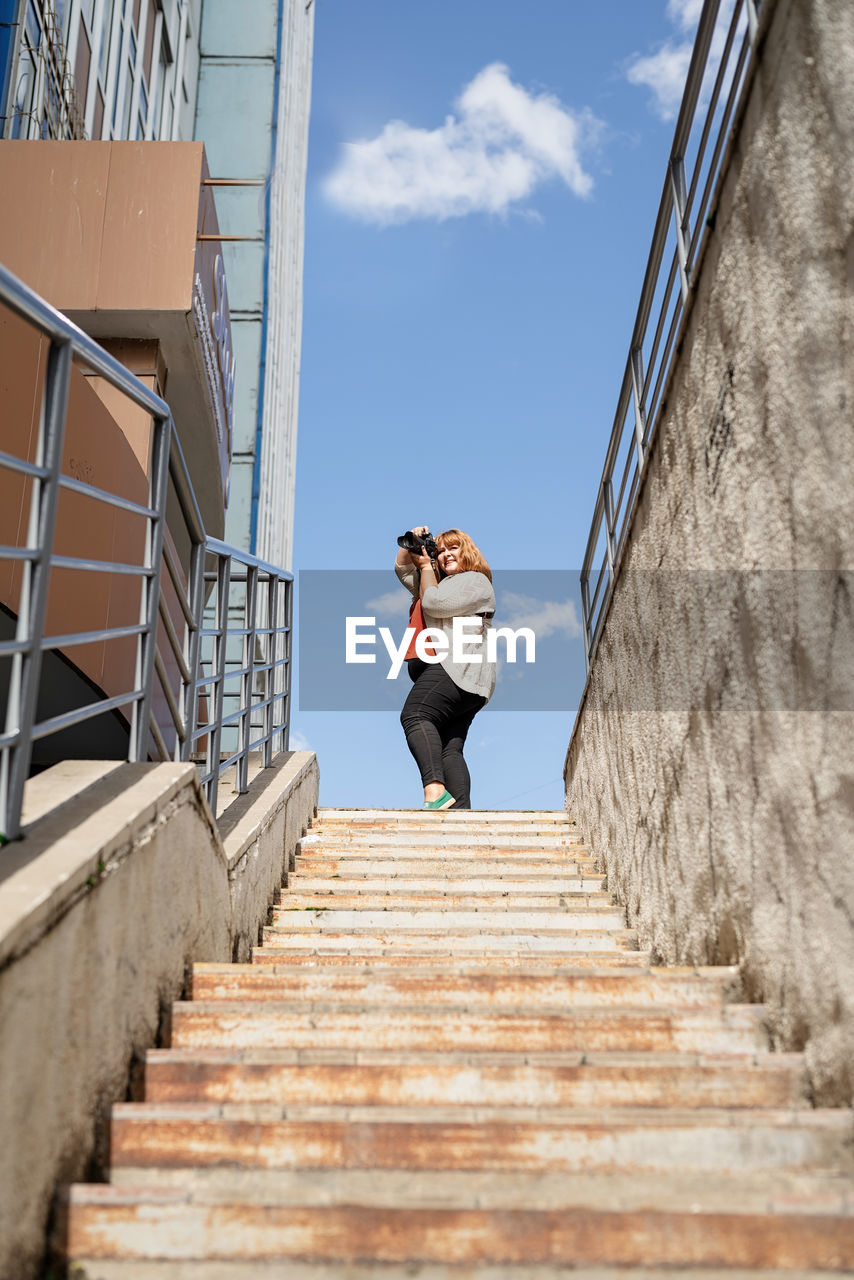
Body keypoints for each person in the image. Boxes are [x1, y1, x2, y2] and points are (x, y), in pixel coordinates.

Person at [395, 526, 496, 810]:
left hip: (458, 668)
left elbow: (435, 604)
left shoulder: (475, 581)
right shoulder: (435, 581)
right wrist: (413, 543)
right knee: (450, 745)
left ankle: (435, 791)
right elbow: (403, 569)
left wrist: (427, 566)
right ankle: (460, 814)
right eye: (440, 551)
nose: (445, 555)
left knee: (415, 714)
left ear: (468, 552)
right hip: (464, 677)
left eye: (453, 548)